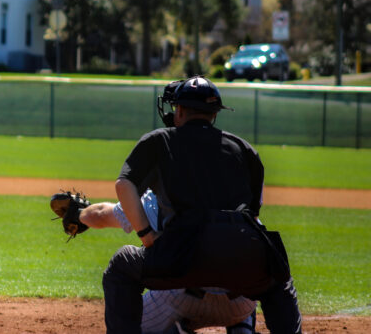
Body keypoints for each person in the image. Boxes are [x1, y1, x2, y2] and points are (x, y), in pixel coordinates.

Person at [102, 76, 302, 334]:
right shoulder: (244, 148)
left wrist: (147, 235)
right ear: (214, 115)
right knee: (278, 280)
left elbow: (124, 185)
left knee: (121, 265)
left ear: (180, 111)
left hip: (185, 251)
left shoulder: (160, 139)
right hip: (242, 250)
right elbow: (253, 211)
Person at [80, 189, 258, 334]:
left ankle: (175, 331)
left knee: (128, 322)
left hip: (181, 298)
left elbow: (100, 215)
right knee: (244, 262)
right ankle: (243, 328)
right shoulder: (240, 195)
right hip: (240, 304)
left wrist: (78, 214)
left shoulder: (161, 192)